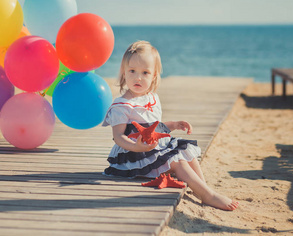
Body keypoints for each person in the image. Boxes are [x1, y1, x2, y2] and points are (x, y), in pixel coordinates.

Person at [102, 40, 239, 211]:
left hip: (153, 146)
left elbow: (154, 126)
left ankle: (203, 187)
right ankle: (207, 195)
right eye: (132, 71)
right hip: (134, 155)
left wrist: (173, 124)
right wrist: (136, 147)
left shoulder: (152, 97)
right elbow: (118, 136)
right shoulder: (122, 105)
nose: (138, 77)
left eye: (145, 72)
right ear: (123, 72)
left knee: (186, 154)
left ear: (154, 76)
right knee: (178, 162)